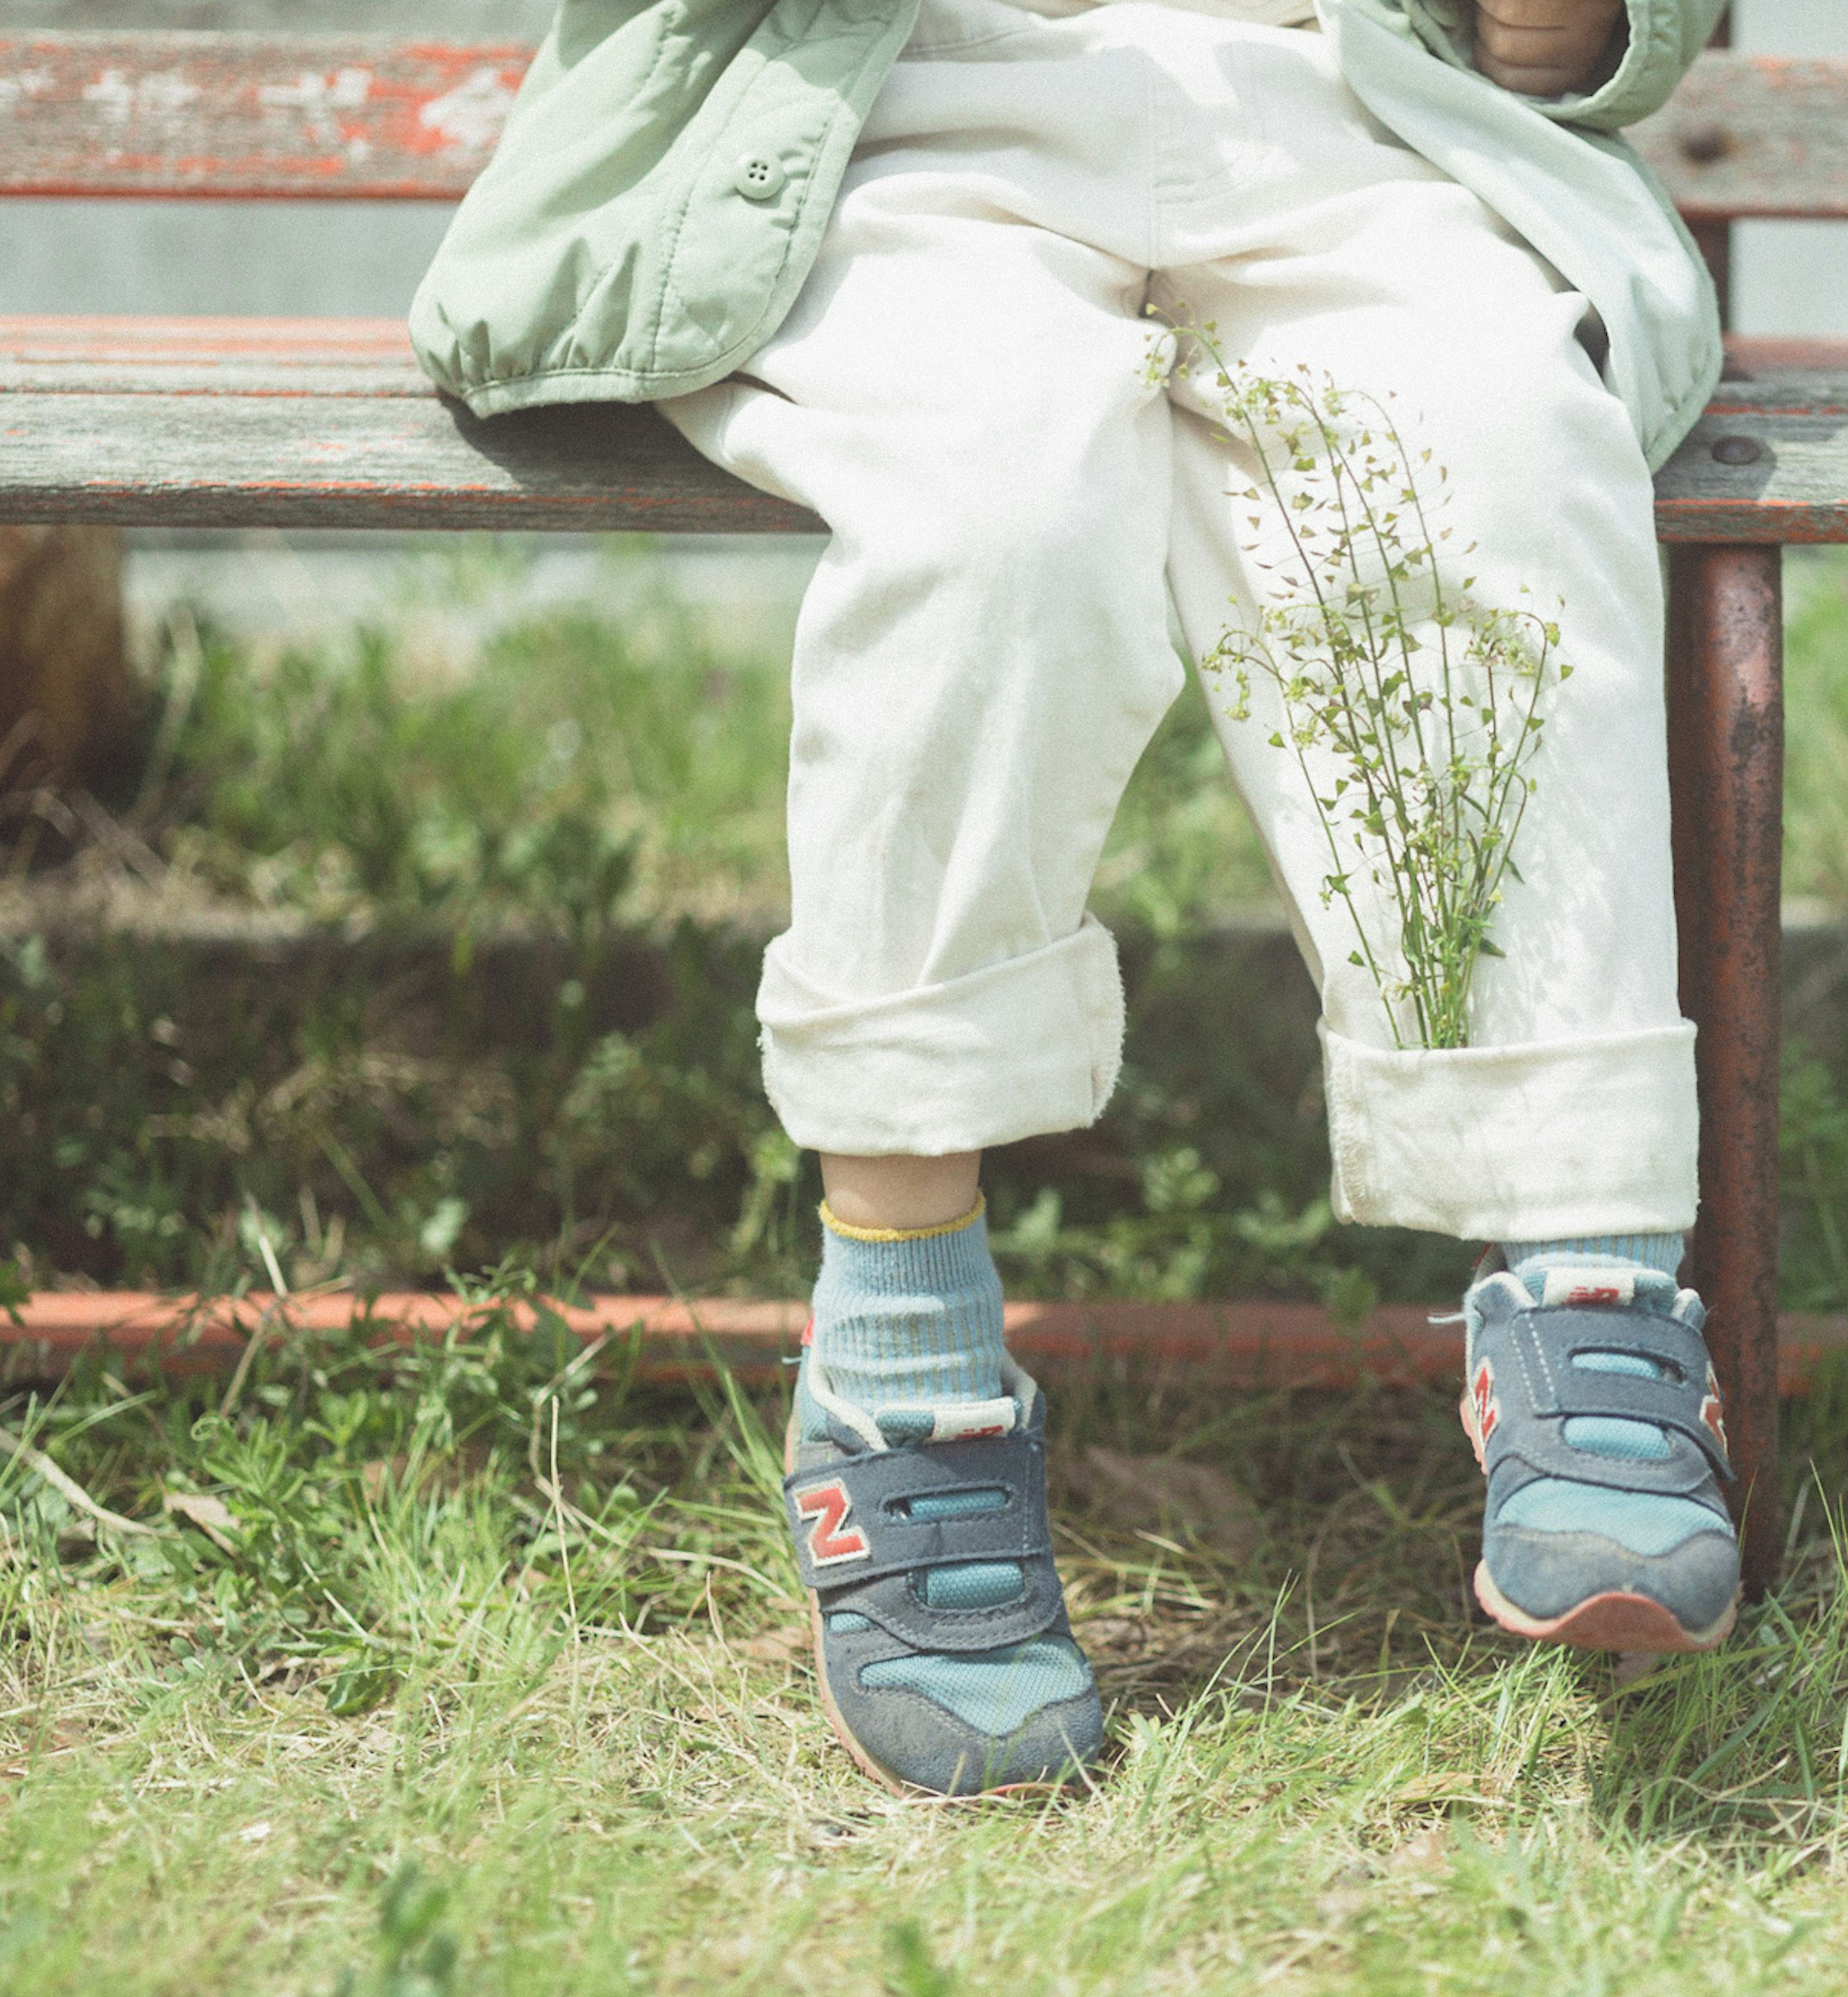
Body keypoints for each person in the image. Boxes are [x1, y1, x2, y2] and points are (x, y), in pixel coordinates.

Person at [412, 0, 1739, 1795]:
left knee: (1495, 455)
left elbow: (1590, 42)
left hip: (1344, 119)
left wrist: (1574, 24)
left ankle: (1590, 1256)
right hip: (899, 118)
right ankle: (897, 1324)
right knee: (997, 517)